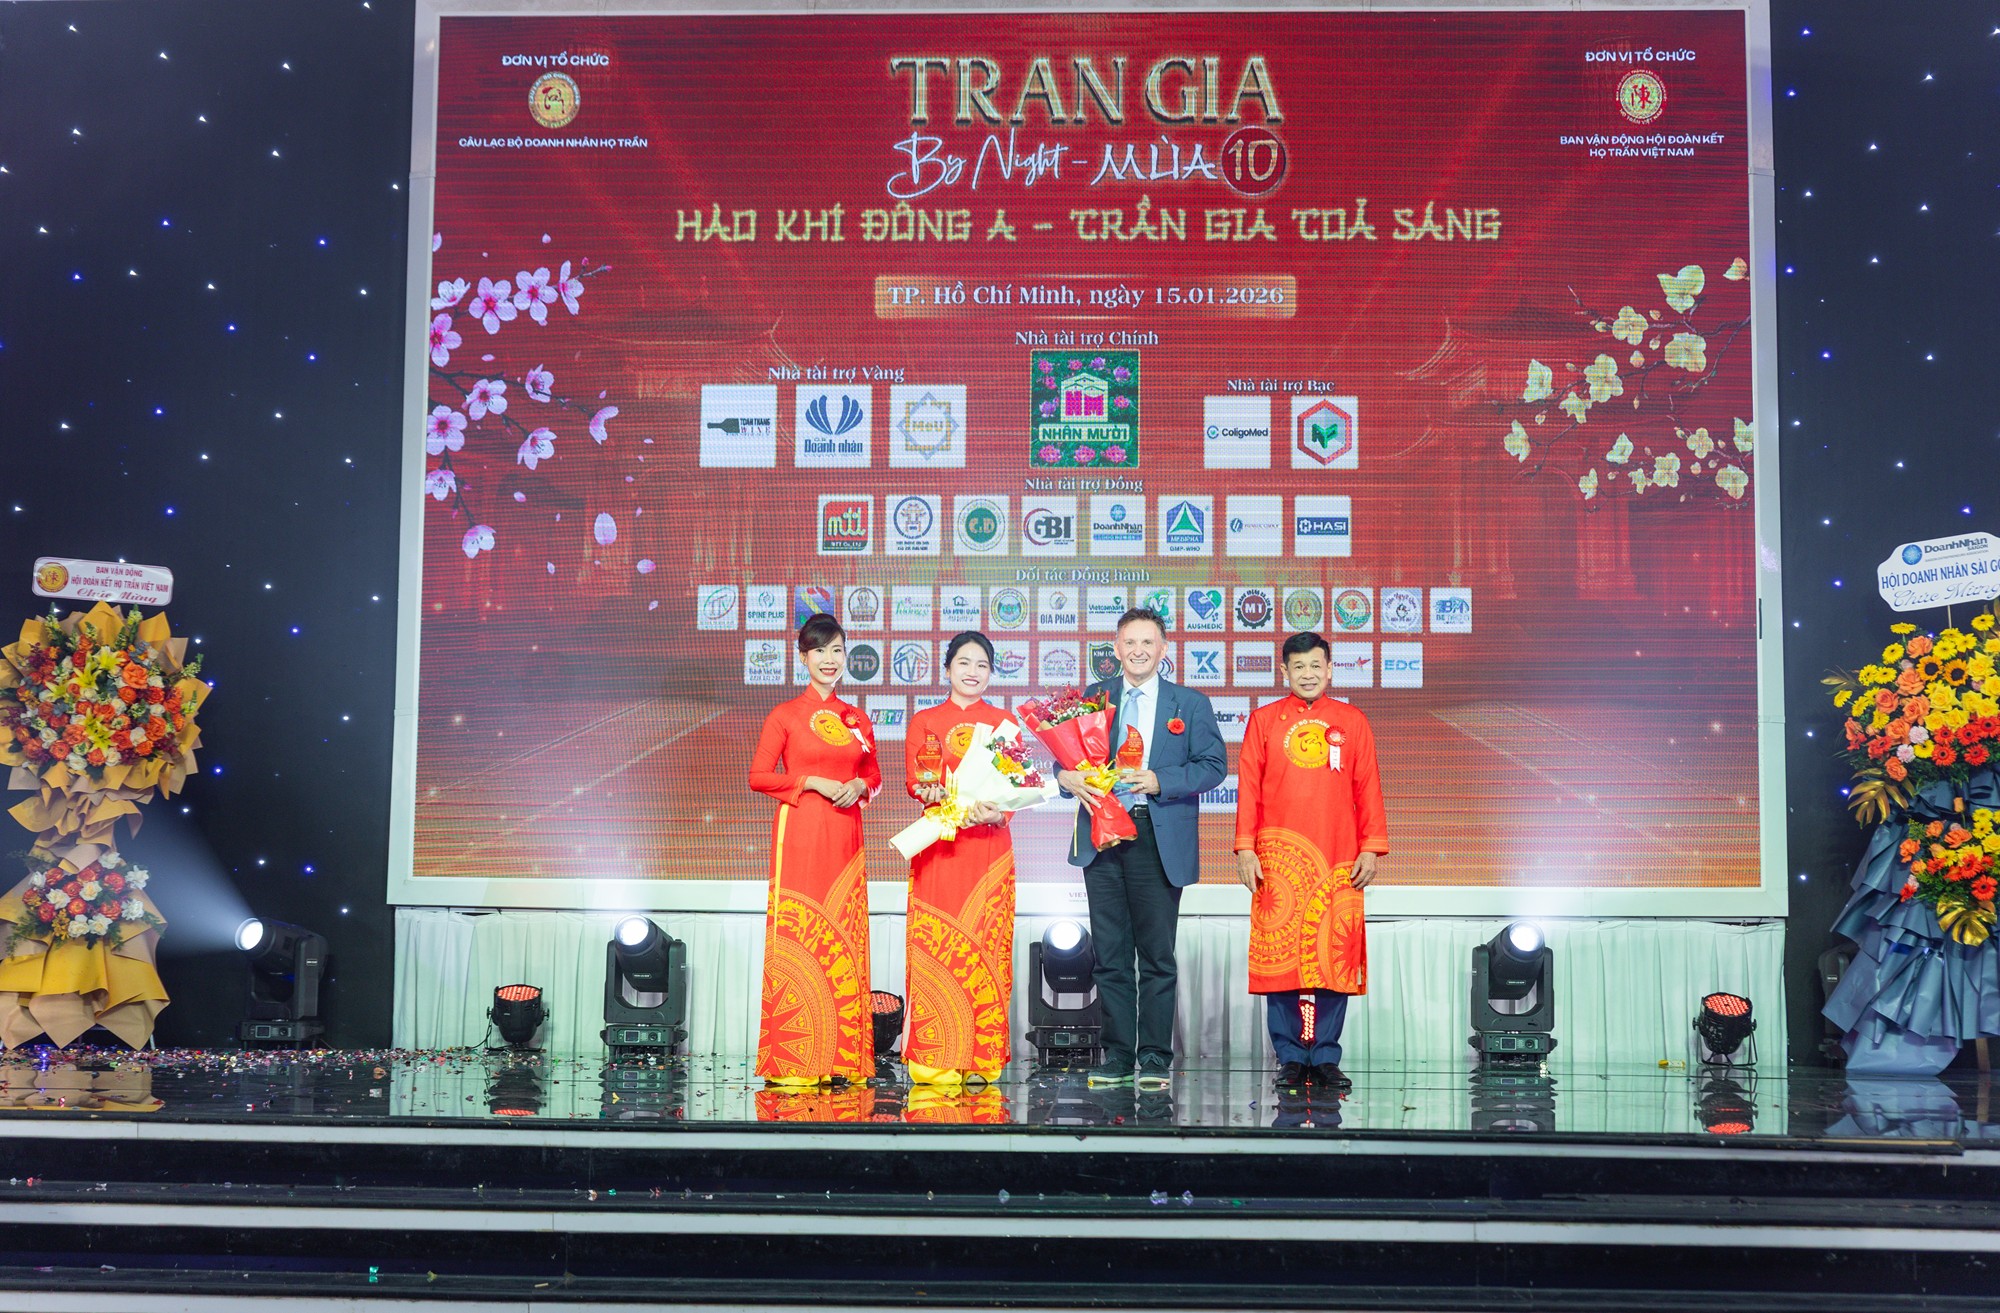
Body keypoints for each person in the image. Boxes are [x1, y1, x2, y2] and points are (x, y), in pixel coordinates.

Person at [1058, 606, 1227, 1090]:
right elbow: (1065, 758)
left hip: (1156, 834)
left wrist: (1160, 780)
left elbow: (1214, 766)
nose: (1138, 651)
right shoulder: (1093, 698)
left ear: (1163, 649)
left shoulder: (1188, 704)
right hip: (1102, 836)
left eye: (1147, 643)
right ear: (1115, 649)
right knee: (1110, 955)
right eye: (1129, 642)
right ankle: (1116, 1055)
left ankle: (1154, 1057)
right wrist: (1065, 777)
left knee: (1156, 956)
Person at [1234, 631, 1388, 1094]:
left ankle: (1324, 1056)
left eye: (1316, 665)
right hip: (1278, 856)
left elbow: (1368, 786)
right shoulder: (1263, 720)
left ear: (1330, 669)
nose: (1307, 674)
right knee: (1281, 962)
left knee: (1333, 958)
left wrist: (1370, 847)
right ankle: (1289, 1056)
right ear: (1284, 671)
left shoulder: (1352, 721)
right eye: (1298, 667)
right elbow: (1249, 787)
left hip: (1339, 855)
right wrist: (1245, 847)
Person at [748, 614, 881, 1086]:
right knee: (801, 936)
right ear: (803, 657)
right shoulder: (784, 714)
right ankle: (795, 1059)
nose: (829, 660)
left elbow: (874, 775)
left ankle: (842, 1059)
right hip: (801, 833)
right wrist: (809, 781)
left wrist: (859, 786)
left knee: (843, 937)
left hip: (846, 835)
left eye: (837, 650)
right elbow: (759, 776)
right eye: (820, 651)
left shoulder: (855, 718)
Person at [902, 632, 1018, 1087]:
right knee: (937, 946)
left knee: (986, 947)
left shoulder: (1004, 722)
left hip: (988, 848)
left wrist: (1000, 812)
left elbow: (1017, 787)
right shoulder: (926, 721)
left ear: (991, 673)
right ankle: (935, 1058)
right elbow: (917, 781)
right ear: (947, 668)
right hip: (941, 849)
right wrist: (929, 791)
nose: (973, 672)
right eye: (964, 663)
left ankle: (982, 1057)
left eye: (982, 665)